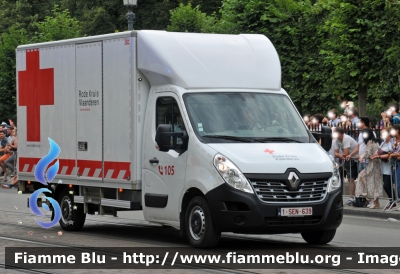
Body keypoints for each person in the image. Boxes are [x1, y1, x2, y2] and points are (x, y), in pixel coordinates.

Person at [355, 128, 383, 209]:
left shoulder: (370, 142)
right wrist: (361, 156)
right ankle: (375, 201)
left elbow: (367, 152)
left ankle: (368, 194)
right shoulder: (374, 142)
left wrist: (361, 157)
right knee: (375, 182)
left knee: (362, 176)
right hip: (375, 163)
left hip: (373, 164)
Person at [372, 127, 396, 210]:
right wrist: (376, 155)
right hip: (383, 167)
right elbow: (377, 151)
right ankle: (392, 201)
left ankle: (394, 201)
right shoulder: (383, 143)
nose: (382, 134)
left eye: (384, 133)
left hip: (390, 167)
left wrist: (379, 156)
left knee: (387, 185)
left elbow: (390, 154)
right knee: (386, 185)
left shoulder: (392, 142)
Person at [334, 128, 358, 205]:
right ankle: (351, 197)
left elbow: (345, 153)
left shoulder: (346, 138)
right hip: (349, 160)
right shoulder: (337, 140)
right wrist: (340, 155)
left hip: (355, 159)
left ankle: (357, 197)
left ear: (340, 133)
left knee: (355, 178)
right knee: (350, 179)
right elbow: (336, 153)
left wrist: (340, 155)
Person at [388, 125, 400, 200]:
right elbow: (390, 151)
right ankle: (398, 201)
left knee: (399, 184)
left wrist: (393, 154)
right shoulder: (392, 140)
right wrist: (394, 154)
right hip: (394, 162)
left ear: (397, 130)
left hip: (398, 162)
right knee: (396, 182)